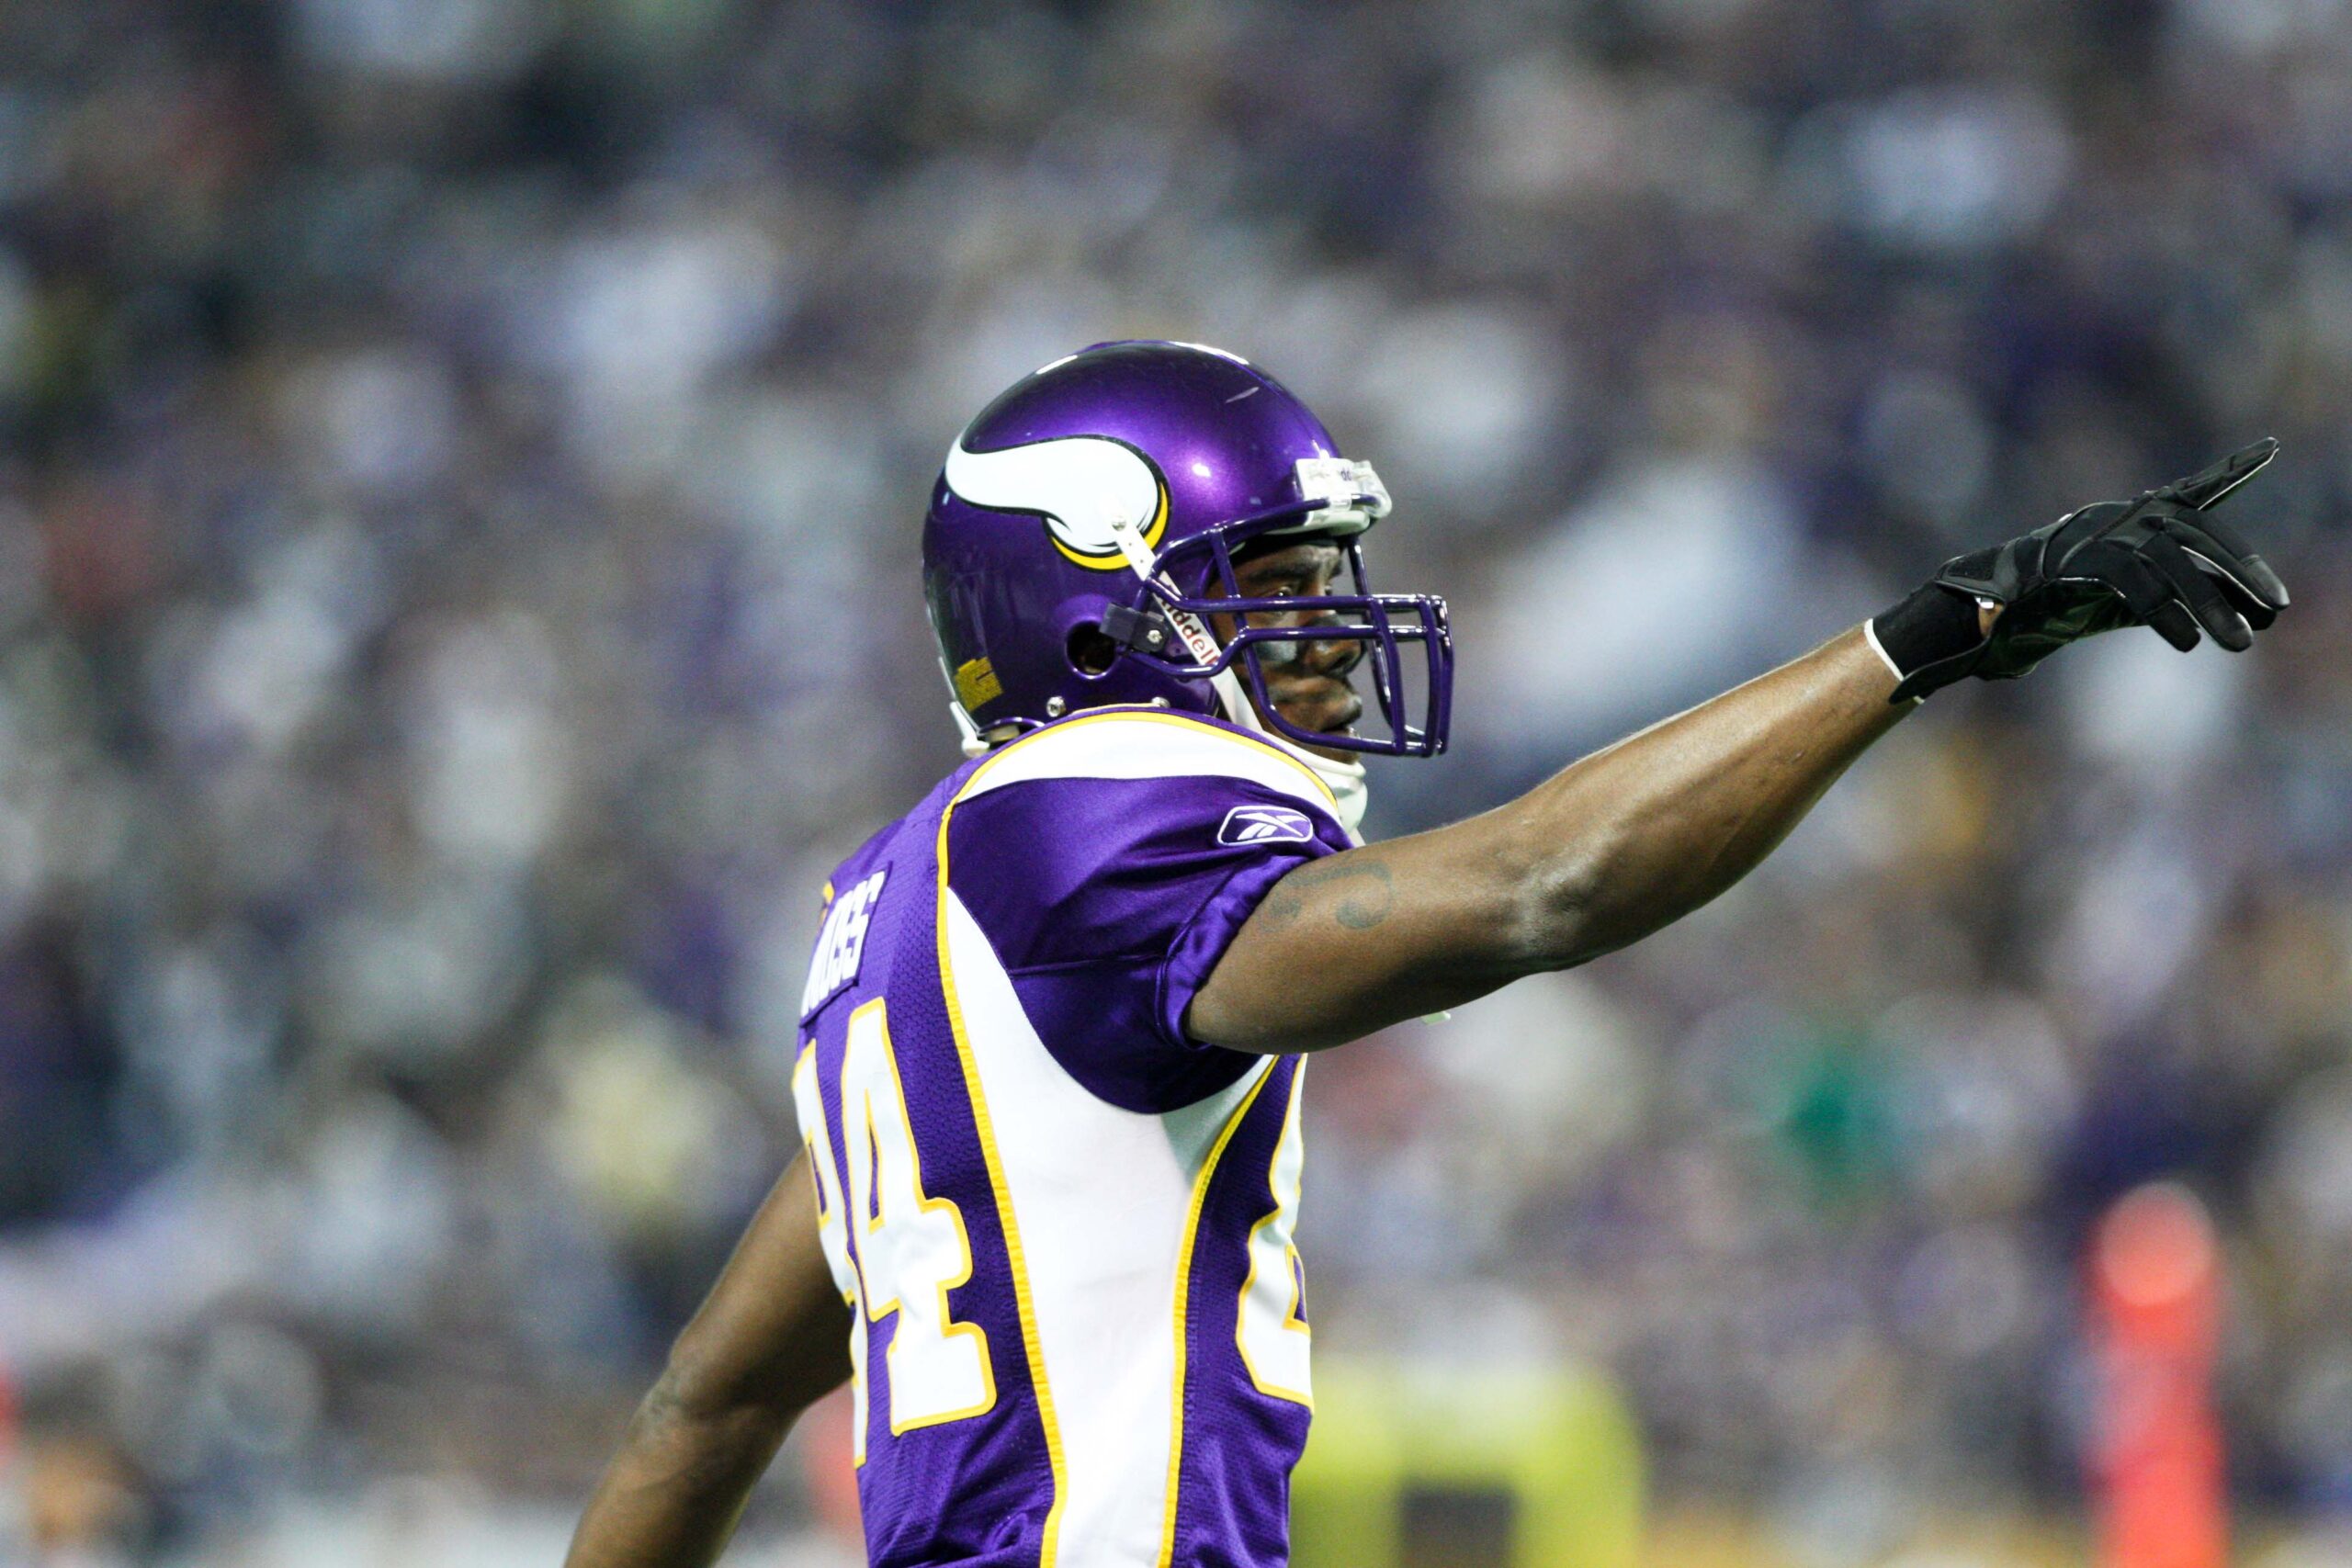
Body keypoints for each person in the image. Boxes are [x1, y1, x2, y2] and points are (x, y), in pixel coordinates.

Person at [565, 340, 2289, 1568]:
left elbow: (702, 1412)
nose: (1326, 628)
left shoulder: (908, 908)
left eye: (1329, 574)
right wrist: (1928, 639)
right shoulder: (1091, 819)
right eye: (1265, 584)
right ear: (1091, 617)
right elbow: (1534, 892)